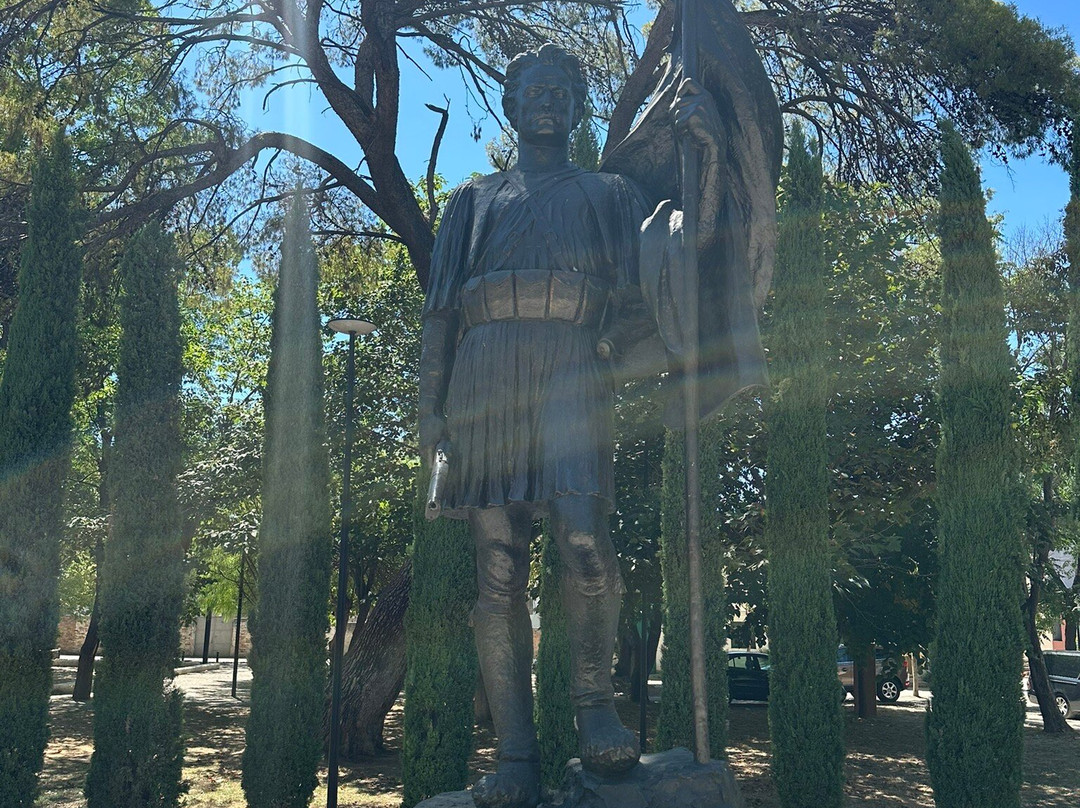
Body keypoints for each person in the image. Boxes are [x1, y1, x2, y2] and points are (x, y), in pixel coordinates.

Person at [418, 43, 728, 808]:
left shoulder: (610, 194)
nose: (548, 101)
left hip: (570, 369)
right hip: (485, 374)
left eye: (561, 90)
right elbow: (439, 314)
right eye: (534, 91)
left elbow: (683, 258)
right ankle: (516, 759)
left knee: (585, 540)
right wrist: (429, 410)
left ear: (578, 107)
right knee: (497, 569)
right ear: (511, 107)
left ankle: (595, 710)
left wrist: (709, 158)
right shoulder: (474, 201)